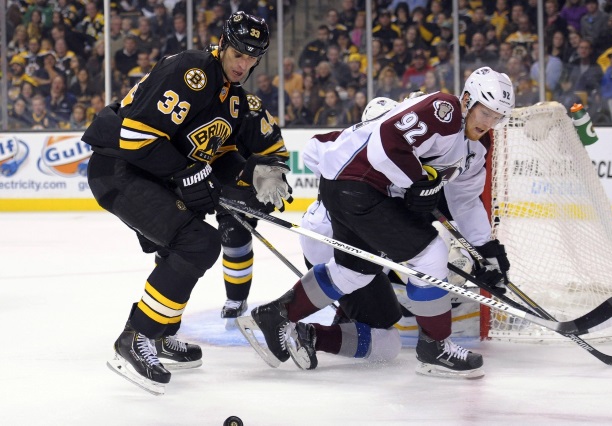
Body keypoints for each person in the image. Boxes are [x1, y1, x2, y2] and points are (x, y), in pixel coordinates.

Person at [245, 67, 514, 379]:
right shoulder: (445, 111)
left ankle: (276, 314)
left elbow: (465, 200)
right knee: (431, 254)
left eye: (497, 117)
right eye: (485, 112)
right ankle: (435, 347)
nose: (488, 122)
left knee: (355, 271)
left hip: (352, 188)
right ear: (467, 99)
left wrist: (485, 248)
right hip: (358, 185)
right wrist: (417, 182)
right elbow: (387, 142)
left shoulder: (477, 147)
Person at [81, 11, 292, 395]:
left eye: (252, 58)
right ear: (224, 44)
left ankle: (159, 335)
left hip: (149, 174)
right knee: (199, 242)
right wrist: (188, 173)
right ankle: (135, 339)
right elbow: (136, 136)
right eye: (238, 54)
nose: (243, 64)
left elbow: (220, 154)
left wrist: (250, 175)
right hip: (119, 168)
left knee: (184, 242)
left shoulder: (233, 99)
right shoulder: (192, 70)